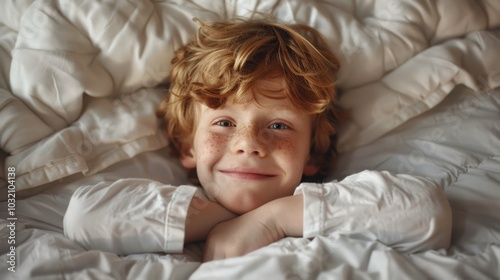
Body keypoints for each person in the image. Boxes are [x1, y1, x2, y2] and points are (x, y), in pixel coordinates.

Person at [64, 18, 452, 262]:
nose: (248, 143)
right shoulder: (165, 207)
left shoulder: (334, 204)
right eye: (224, 123)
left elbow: (425, 211)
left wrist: (275, 219)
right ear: (188, 148)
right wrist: (216, 219)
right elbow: (85, 216)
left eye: (279, 126)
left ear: (312, 155)